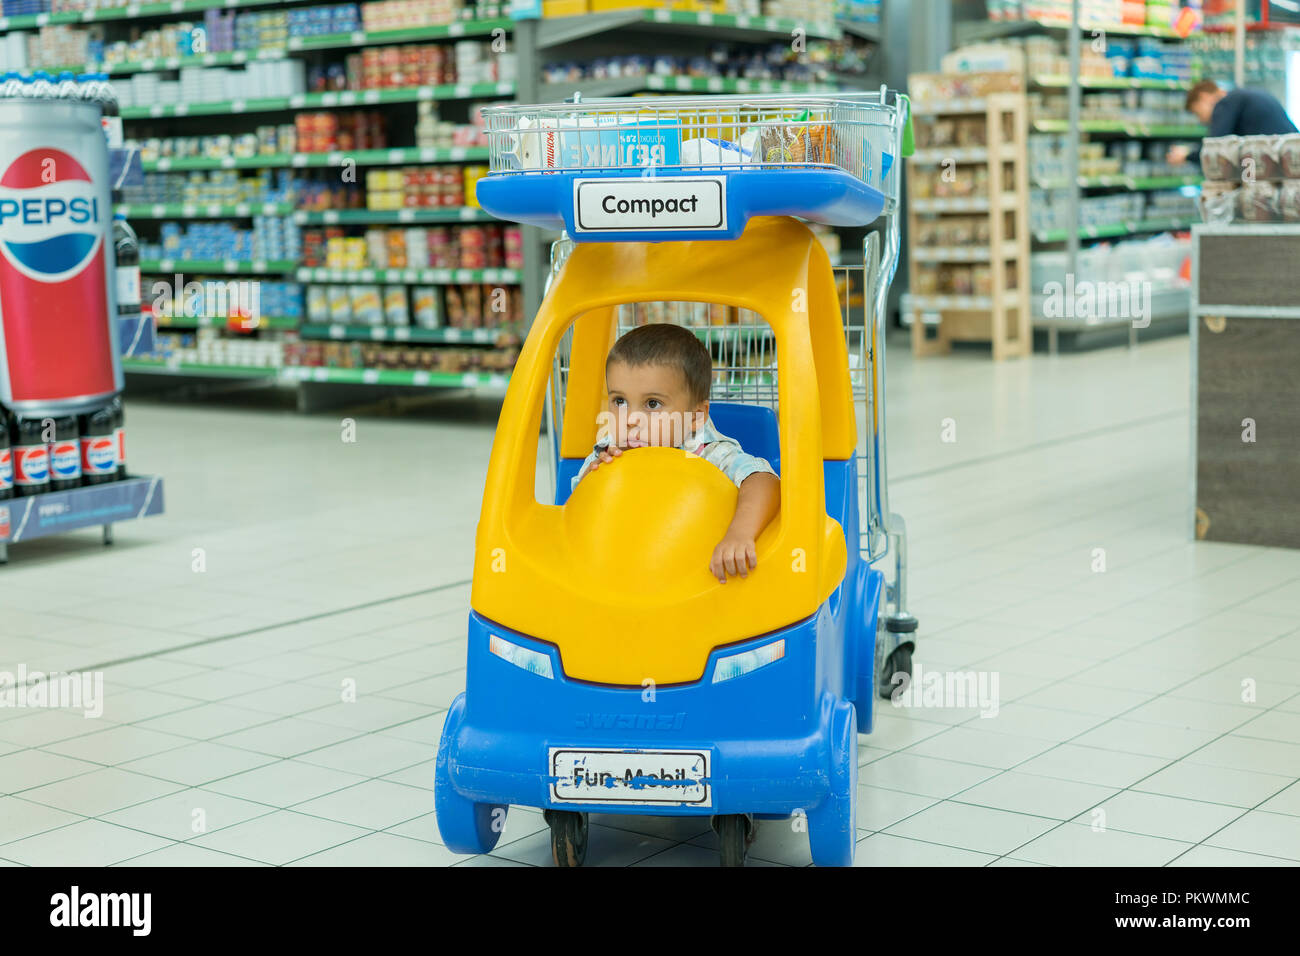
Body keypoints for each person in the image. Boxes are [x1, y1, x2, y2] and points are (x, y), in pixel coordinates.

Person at [571, 323, 780, 584]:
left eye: (652, 404)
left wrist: (739, 534)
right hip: (625, 574)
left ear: (695, 417)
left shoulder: (708, 453)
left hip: (694, 575)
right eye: (620, 401)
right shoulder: (610, 450)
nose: (630, 419)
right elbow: (577, 513)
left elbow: (765, 481)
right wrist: (596, 480)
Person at [1168, 79, 1298, 167]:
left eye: (1197, 112)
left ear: (1204, 97)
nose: (1201, 120)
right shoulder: (1242, 98)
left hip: (1280, 163)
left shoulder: (1226, 102)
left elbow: (1215, 148)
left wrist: (1186, 156)